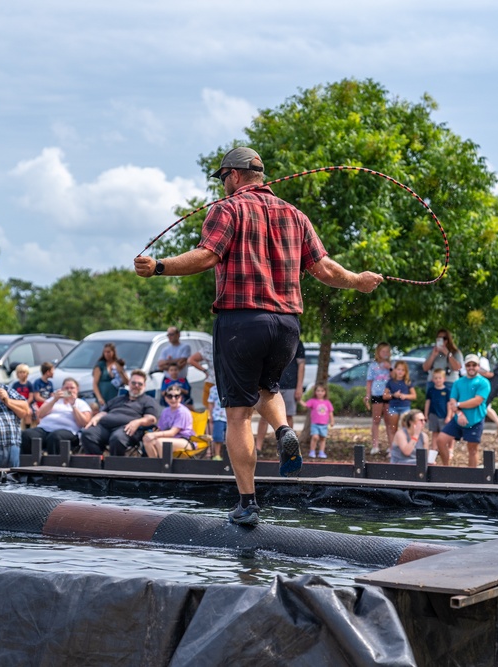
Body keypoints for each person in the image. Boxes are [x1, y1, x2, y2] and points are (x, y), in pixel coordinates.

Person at [135, 146, 382, 526]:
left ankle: (247, 503)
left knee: (237, 414)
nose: (221, 187)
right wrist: (358, 281)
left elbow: (206, 256)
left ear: (233, 175)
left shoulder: (226, 209)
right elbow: (325, 269)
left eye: (222, 179)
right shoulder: (295, 215)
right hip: (287, 327)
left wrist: (159, 267)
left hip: (240, 322)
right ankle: (284, 430)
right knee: (267, 388)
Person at [78, 369, 159, 456]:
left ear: (144, 386)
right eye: (133, 383)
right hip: (106, 427)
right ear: (129, 383)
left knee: (117, 438)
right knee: (87, 434)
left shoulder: (148, 400)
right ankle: (98, 463)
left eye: (140, 384)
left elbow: (151, 419)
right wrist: (96, 417)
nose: (136, 386)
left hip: (127, 429)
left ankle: (114, 466)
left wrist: (138, 422)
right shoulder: (118, 399)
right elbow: (104, 411)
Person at [435, 354, 491, 467]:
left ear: (478, 366)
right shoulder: (458, 382)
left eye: (474, 365)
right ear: (465, 366)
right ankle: (446, 468)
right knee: (440, 440)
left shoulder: (484, 383)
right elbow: (452, 400)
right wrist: (459, 413)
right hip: (457, 419)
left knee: (472, 449)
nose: (471, 367)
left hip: (475, 421)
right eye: (468, 365)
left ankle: (472, 477)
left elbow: (477, 401)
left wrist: (458, 404)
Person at [253, 338, 305, 454]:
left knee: (288, 416)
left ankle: (288, 447)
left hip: (290, 383)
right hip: (270, 383)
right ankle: (258, 447)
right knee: (264, 416)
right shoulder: (269, 338)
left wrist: (299, 386)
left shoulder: (296, 341)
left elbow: (301, 364)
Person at [21, 377, 92, 454]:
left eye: (72, 388)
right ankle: (27, 462)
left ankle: (53, 464)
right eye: (66, 388)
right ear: (62, 389)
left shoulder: (80, 403)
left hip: (67, 430)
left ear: (77, 390)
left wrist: (73, 405)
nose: (69, 390)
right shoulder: (53, 400)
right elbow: (40, 414)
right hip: (45, 429)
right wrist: (54, 400)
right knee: (26, 435)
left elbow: (84, 422)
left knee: (54, 437)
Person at [142, 388, 195, 458]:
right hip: (169, 438)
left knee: (161, 443)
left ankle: (165, 467)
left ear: (180, 398)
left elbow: (172, 432)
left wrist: (154, 435)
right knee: (147, 440)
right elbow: (161, 429)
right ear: (166, 398)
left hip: (186, 440)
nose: (173, 399)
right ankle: (155, 466)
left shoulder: (182, 412)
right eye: (170, 396)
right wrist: (152, 433)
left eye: (176, 396)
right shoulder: (165, 411)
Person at [365, 343, 393, 455]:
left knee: (389, 421)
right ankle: (375, 445)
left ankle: (391, 447)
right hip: (377, 394)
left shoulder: (392, 365)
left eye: (387, 352)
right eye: (383, 351)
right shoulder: (373, 366)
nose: (385, 354)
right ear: (378, 352)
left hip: (388, 394)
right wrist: (368, 395)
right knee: (376, 420)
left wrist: (390, 368)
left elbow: (397, 377)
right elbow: (369, 381)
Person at [385, 360, 416, 443]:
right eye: (398, 369)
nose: (400, 372)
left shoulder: (408, 382)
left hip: (405, 407)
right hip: (393, 408)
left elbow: (414, 396)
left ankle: (405, 446)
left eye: (402, 370)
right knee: (392, 429)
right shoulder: (390, 382)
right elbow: (385, 396)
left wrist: (405, 396)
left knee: (405, 428)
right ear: (395, 370)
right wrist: (393, 395)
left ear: (405, 372)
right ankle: (393, 449)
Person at [301, 384, 333, 459]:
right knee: (315, 437)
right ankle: (312, 451)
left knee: (323, 438)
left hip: (324, 424)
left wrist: (332, 421)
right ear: (315, 392)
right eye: (318, 391)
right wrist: (299, 399)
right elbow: (305, 405)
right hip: (315, 424)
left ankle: (321, 452)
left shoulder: (327, 402)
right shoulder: (313, 401)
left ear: (325, 392)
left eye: (322, 391)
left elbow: (330, 412)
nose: (320, 392)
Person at [93, 343, 127, 409]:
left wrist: (120, 371)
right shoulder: (100, 365)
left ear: (113, 352)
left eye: (108, 352)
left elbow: (127, 382)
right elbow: (95, 384)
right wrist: (99, 398)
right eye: (105, 352)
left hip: (117, 397)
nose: (106, 354)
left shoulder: (118, 364)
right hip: (104, 396)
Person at [424, 369, 450, 438]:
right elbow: (427, 402)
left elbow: (449, 404)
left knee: (443, 433)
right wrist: (426, 414)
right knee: (434, 432)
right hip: (433, 415)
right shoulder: (431, 390)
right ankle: (434, 448)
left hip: (443, 415)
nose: (438, 380)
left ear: (444, 379)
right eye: (436, 378)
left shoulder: (447, 391)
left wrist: (449, 416)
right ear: (432, 379)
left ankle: (442, 448)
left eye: (440, 378)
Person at [189, 343, 215, 409]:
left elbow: (191, 360)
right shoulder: (209, 348)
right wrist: (205, 371)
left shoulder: (210, 347)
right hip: (212, 383)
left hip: (214, 382)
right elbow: (191, 360)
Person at [207, 383, 226, 461]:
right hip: (218, 416)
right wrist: (210, 415)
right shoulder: (213, 389)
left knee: (230, 438)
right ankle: (217, 455)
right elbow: (210, 403)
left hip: (231, 418)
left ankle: (228, 456)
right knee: (217, 437)